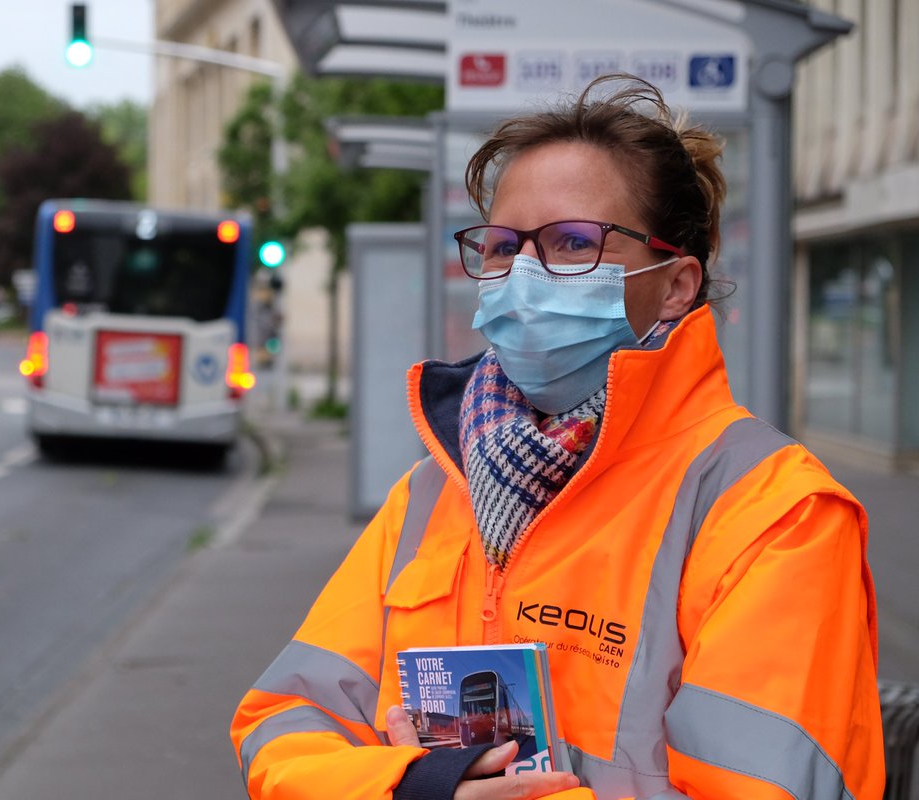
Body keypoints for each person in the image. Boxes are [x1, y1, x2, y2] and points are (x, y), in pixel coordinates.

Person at [231, 75, 884, 800]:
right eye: (502, 246)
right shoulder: (432, 492)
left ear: (676, 284)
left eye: (574, 243)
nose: (523, 275)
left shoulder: (775, 515)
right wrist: (409, 786)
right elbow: (283, 722)